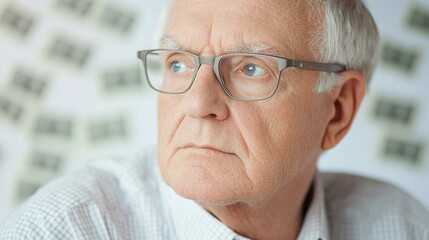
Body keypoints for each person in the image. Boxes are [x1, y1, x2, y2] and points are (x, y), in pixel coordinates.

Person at [1, 0, 429, 239]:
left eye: (250, 68)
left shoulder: (399, 225)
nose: (196, 103)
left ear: (337, 110)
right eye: (179, 63)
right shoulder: (62, 229)